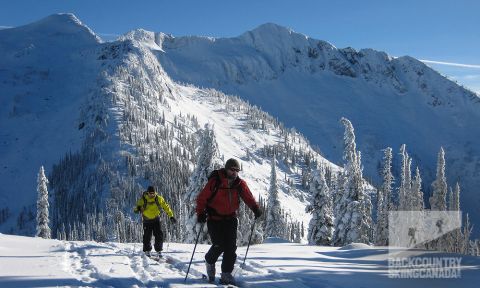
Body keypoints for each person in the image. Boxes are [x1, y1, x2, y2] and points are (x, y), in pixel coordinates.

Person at [196, 158, 262, 285]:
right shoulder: (215, 182)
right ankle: (209, 261)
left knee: (231, 248)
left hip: (231, 219)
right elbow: (202, 198)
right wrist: (200, 213)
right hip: (214, 219)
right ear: (226, 169)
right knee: (219, 245)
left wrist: (255, 208)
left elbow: (248, 197)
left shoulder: (239, 184)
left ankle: (226, 274)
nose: (235, 172)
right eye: (232, 170)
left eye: (237, 170)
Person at [134, 185, 176, 257]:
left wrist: (171, 216)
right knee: (147, 236)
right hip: (146, 220)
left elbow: (166, 207)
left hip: (156, 220)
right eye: (150, 193)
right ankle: (147, 250)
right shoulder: (143, 200)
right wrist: (138, 208)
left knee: (159, 235)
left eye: (153, 193)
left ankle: (159, 250)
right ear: (147, 193)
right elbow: (135, 210)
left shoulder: (158, 198)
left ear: (155, 192)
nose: (152, 195)